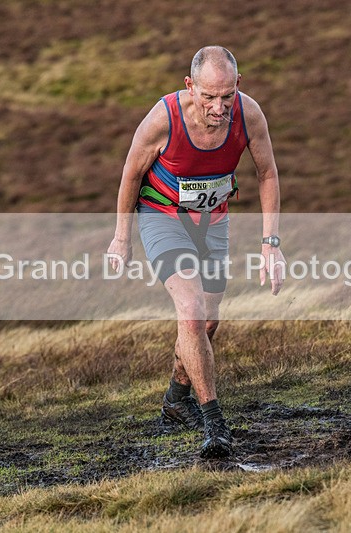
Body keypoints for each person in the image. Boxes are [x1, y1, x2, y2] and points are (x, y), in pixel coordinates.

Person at [107, 46, 285, 458]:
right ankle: (214, 423)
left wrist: (270, 244)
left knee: (206, 324)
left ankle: (175, 398)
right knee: (191, 311)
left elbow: (268, 173)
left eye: (226, 96)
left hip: (214, 220)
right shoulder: (162, 118)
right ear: (190, 87)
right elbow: (131, 173)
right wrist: (121, 237)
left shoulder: (249, 114)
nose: (218, 107)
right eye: (208, 97)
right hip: (162, 216)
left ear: (237, 86)